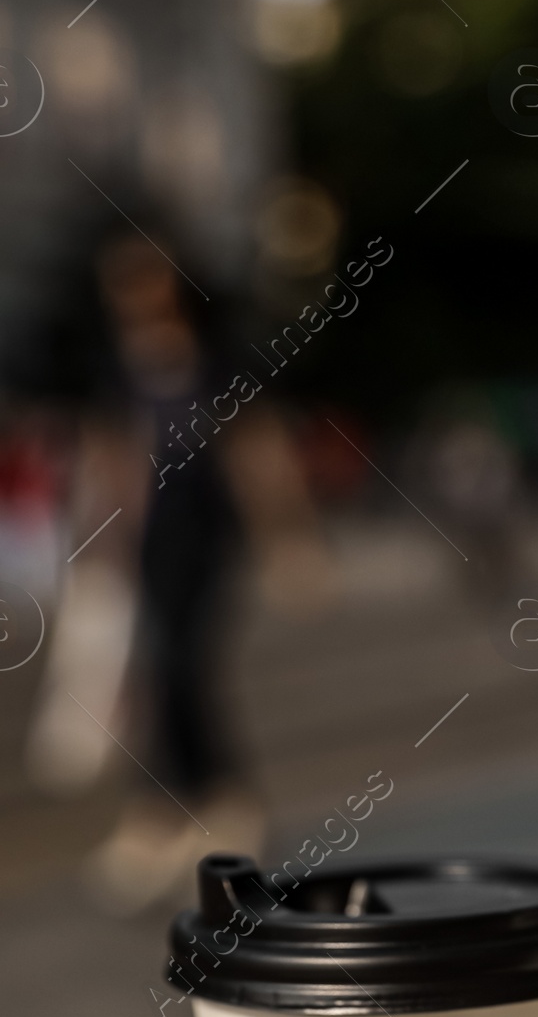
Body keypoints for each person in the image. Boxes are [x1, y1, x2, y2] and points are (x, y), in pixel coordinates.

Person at [26, 231, 326, 912]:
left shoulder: (216, 362)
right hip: (141, 543)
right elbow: (106, 457)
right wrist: (93, 544)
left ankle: (209, 804)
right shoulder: (116, 368)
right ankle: (178, 807)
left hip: (206, 539)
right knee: (153, 675)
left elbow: (257, 453)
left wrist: (290, 541)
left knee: (184, 666)